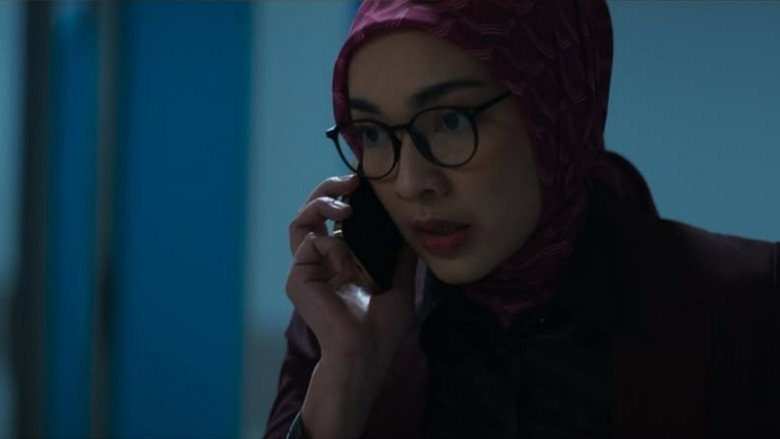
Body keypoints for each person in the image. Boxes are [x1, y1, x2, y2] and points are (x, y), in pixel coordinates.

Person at [264, 1, 780, 438]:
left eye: (450, 121)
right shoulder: (343, 326)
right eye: (373, 133)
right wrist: (344, 389)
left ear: (554, 109)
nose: (410, 182)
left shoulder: (752, 307)